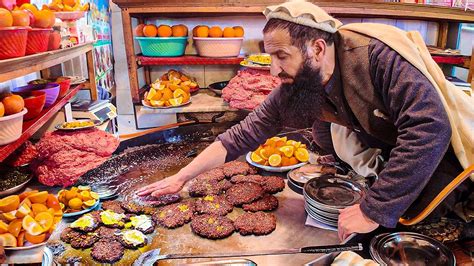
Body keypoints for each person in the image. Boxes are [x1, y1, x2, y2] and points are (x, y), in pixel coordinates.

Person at [137, 1, 473, 241]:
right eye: (270, 57)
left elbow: (430, 128)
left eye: (281, 56)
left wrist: (373, 209)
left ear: (316, 48)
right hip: (389, 141)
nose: (273, 70)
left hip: (446, 148)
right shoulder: (297, 80)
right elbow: (242, 135)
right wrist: (180, 178)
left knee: (417, 219)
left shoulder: (378, 58)